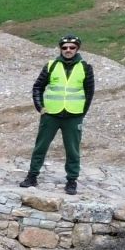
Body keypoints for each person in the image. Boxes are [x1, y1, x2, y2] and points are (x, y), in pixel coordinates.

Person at [20, 35, 93, 195]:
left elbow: (89, 93)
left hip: (74, 116)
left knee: (73, 149)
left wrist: (82, 113)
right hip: (51, 115)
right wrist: (40, 107)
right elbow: (38, 87)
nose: (68, 50)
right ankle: (32, 176)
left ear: (77, 49)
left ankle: (72, 180)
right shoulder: (51, 66)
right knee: (41, 147)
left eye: (72, 48)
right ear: (60, 48)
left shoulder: (85, 67)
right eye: (65, 47)